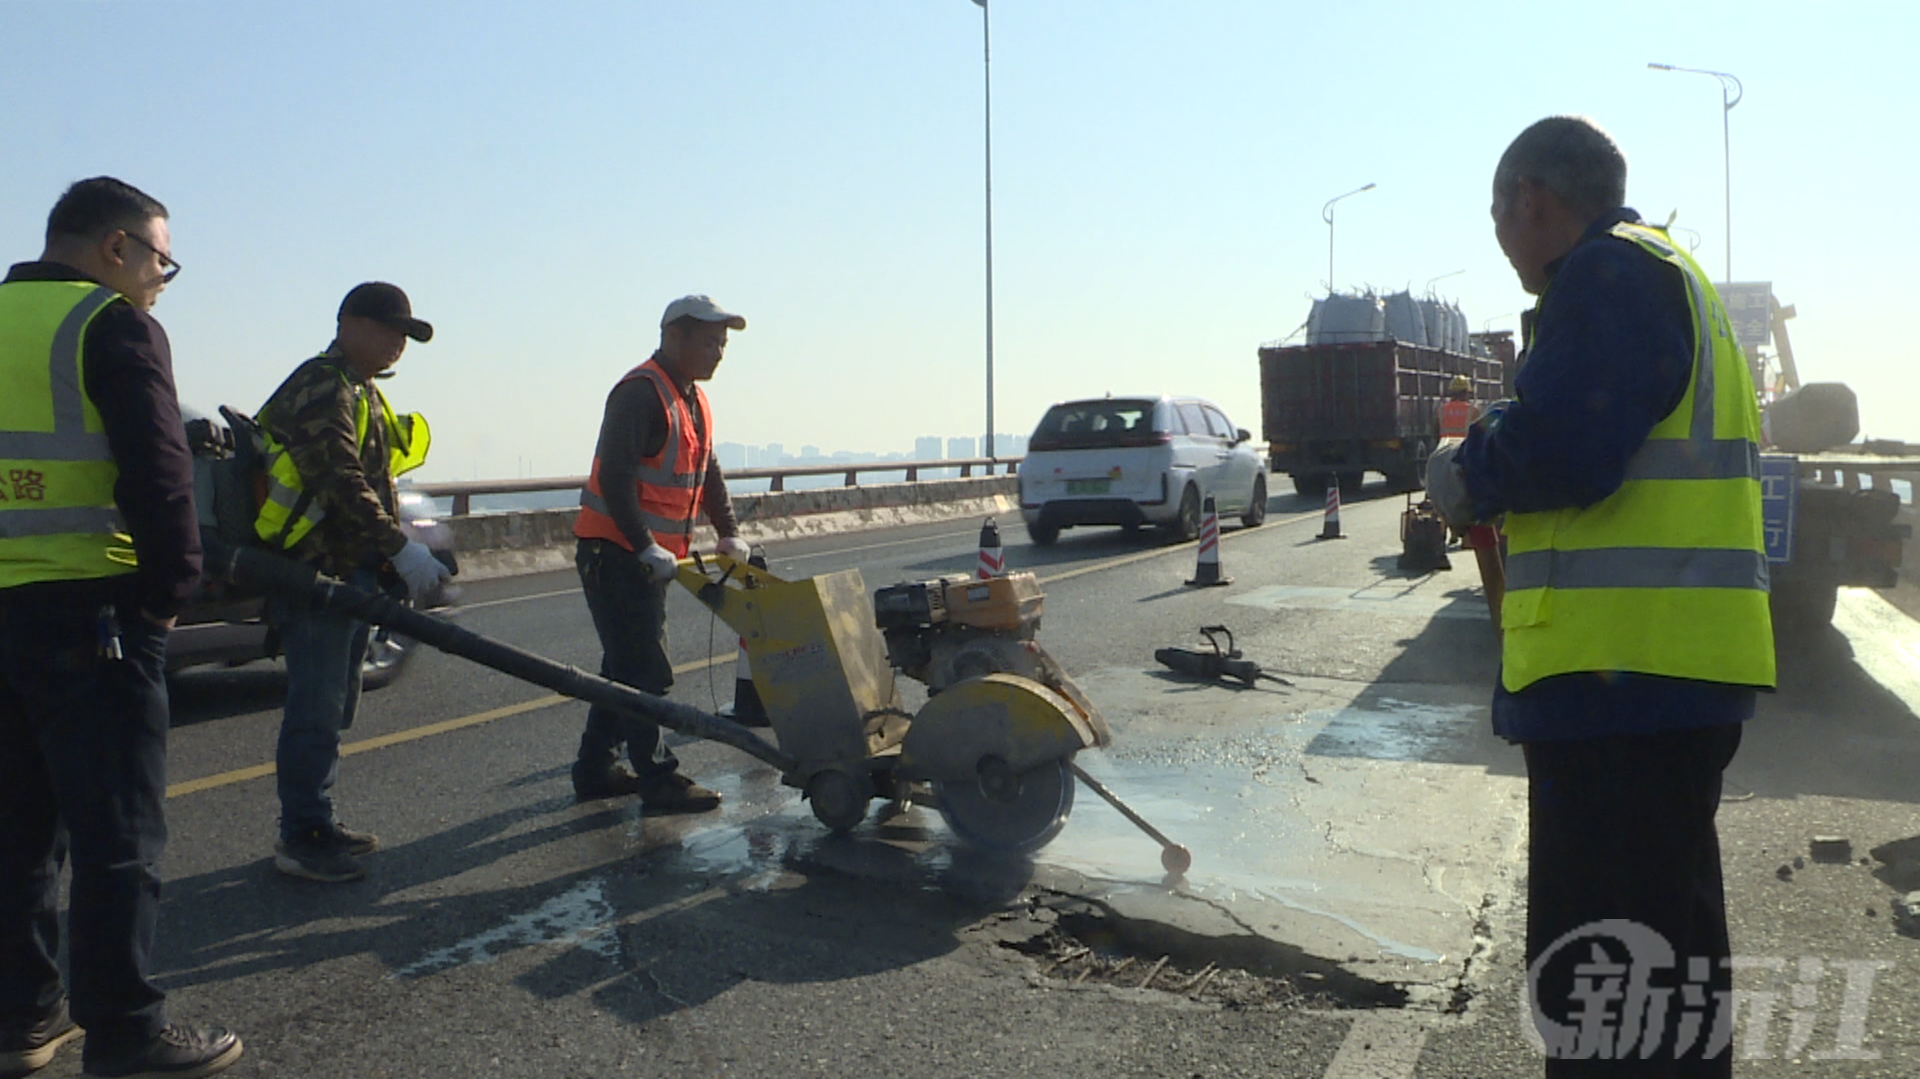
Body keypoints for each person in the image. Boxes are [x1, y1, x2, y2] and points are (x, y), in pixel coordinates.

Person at [1428, 117, 1774, 1076]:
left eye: (1500, 216)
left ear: (1531, 198)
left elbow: (1570, 447)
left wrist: (1468, 469)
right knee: (1668, 967)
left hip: (1621, 687)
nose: (1503, 244)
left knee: (1603, 981)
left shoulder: (1608, 274)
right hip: (1661, 679)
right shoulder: (1669, 274)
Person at [0, 179, 243, 1077]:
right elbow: (159, 471)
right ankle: (126, 1032)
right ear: (114, 247)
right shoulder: (110, 324)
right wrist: (169, 593)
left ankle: (24, 1019)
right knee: (117, 838)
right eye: (159, 257)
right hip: (94, 615)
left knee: (17, 833)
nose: (159, 277)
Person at [253, 282, 449, 883]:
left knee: (337, 704)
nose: (398, 344)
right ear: (350, 324)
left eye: (405, 336)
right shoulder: (321, 384)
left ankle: (318, 817)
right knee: (314, 708)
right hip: (313, 576)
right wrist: (400, 549)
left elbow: (375, 482)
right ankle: (301, 836)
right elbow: (339, 478)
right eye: (390, 330)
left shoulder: (360, 391)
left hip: (347, 575)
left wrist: (390, 560)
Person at [571, 294, 751, 809]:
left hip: (647, 558)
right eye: (711, 341)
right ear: (675, 337)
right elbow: (617, 477)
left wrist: (727, 530)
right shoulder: (640, 394)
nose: (719, 352)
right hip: (615, 552)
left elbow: (707, 472)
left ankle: (595, 767)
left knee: (623, 666)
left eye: (723, 343)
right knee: (647, 669)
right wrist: (645, 545)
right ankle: (659, 778)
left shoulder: (690, 397)